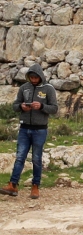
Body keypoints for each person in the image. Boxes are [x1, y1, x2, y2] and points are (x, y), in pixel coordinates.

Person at [0, 64, 58, 199]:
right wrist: (21, 107)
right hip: (24, 128)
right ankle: (13, 185)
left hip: (40, 130)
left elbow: (54, 108)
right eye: (31, 77)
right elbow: (14, 106)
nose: (33, 79)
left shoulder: (48, 89)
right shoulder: (23, 88)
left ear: (40, 76)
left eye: (35, 77)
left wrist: (42, 106)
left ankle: (35, 186)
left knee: (36, 159)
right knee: (20, 157)